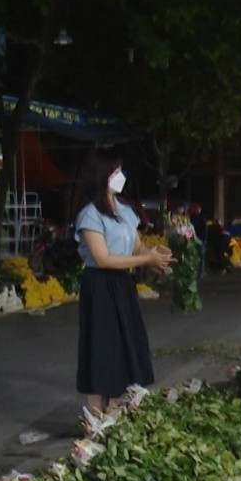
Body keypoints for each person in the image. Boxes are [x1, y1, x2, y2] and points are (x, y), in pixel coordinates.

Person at [74, 147, 173, 414]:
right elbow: (103, 258)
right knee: (101, 347)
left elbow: (136, 248)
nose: (121, 176)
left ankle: (115, 408)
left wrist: (157, 255)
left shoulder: (124, 210)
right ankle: (95, 414)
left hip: (122, 285)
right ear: (103, 175)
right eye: (116, 172)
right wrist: (145, 260)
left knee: (123, 346)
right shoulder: (90, 214)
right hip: (100, 286)